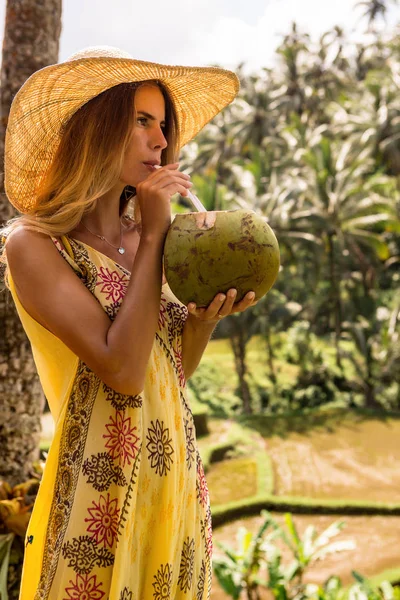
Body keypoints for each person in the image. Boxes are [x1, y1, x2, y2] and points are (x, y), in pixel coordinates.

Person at [0, 46, 257, 599]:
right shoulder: (34, 246)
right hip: (100, 493)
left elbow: (166, 372)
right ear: (96, 127)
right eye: (142, 121)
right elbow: (121, 370)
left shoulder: (147, 242)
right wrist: (158, 235)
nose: (160, 141)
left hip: (174, 485)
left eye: (162, 125)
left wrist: (203, 320)